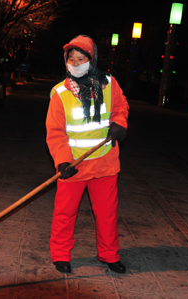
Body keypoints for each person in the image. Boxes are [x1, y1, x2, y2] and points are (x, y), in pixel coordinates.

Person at [45, 35, 129, 274]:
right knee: (65, 213)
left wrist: (119, 123)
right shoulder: (60, 93)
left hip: (104, 161)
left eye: (81, 59)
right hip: (74, 164)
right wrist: (62, 161)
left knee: (107, 214)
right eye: (71, 59)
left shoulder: (109, 83)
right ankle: (60, 254)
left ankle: (109, 255)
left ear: (91, 60)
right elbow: (55, 132)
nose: (75, 63)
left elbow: (121, 106)